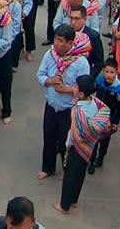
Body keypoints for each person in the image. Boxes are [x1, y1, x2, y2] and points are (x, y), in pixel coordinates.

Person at [37, 24, 90, 180]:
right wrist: (49, 81)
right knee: (49, 138)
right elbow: (40, 75)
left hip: (68, 110)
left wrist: (65, 89)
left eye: (61, 41)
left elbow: (84, 89)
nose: (56, 44)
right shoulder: (50, 55)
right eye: (55, 39)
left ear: (70, 43)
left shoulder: (81, 62)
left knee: (66, 143)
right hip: (51, 106)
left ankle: (67, 171)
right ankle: (48, 168)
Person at [54, 74, 111, 215]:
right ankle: (73, 200)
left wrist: (72, 142)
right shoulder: (95, 103)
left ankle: (64, 205)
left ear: (81, 93)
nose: (72, 88)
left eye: (75, 86)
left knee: (70, 176)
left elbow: (81, 132)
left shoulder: (79, 111)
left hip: (77, 146)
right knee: (79, 175)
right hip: (89, 147)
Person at [88, 57, 120, 173]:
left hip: (108, 119)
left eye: (112, 72)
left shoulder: (118, 89)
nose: (109, 75)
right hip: (96, 115)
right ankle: (91, 161)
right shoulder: (99, 80)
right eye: (107, 72)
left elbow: (119, 108)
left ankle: (101, 156)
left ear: (116, 72)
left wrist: (114, 122)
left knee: (104, 141)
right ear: (103, 71)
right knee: (93, 139)